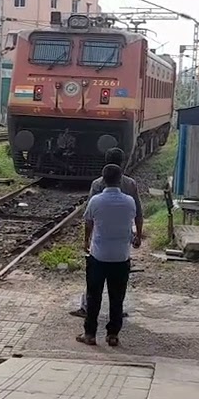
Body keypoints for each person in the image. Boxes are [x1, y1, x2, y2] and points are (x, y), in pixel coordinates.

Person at [71, 147, 143, 318]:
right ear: (122, 163)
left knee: (94, 278)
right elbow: (139, 214)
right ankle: (117, 310)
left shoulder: (97, 184)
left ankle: (86, 307)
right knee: (119, 278)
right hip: (122, 240)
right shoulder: (130, 184)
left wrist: (86, 240)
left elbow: (89, 217)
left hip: (100, 239)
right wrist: (138, 235)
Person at [78, 164, 138, 347]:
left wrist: (86, 241)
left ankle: (90, 334)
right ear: (120, 180)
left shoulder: (96, 201)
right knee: (117, 298)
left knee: (93, 297)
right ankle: (113, 335)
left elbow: (88, 223)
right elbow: (131, 222)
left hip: (99, 256)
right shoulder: (129, 202)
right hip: (121, 257)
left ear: (103, 180)